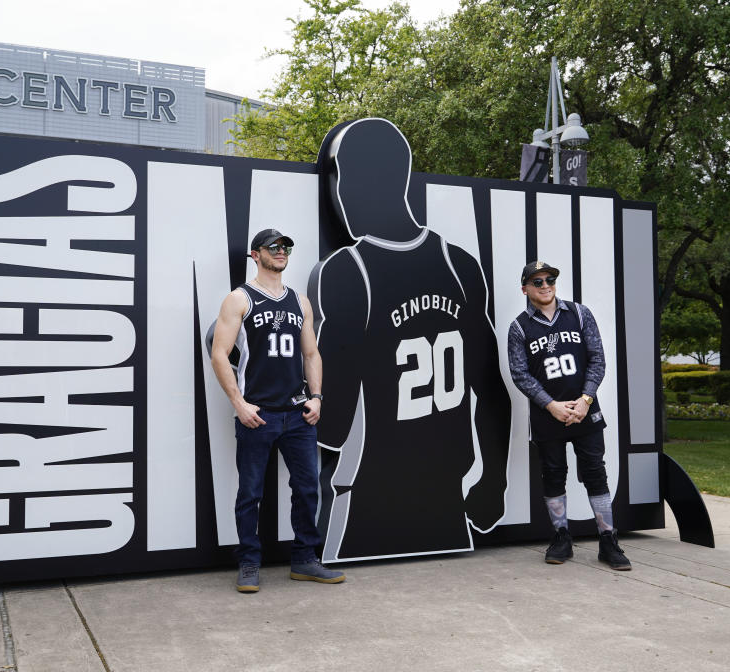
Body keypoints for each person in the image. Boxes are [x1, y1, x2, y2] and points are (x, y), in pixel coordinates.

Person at [312, 118, 510, 562]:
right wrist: (494, 480)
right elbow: (493, 390)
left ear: (367, 181)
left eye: (342, 177)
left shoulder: (349, 272)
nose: (338, 193)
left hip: (372, 507)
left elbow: (331, 421)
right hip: (446, 502)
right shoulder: (459, 264)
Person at [211, 228, 345, 593]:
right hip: (259, 414)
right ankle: (249, 563)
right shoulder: (239, 299)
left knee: (307, 489)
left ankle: (304, 559)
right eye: (273, 246)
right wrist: (239, 403)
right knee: (250, 493)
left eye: (285, 246)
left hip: (298, 413)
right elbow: (219, 354)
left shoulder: (300, 301)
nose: (281, 251)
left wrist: (316, 397)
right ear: (256, 254)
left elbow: (311, 353)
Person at [507, 261, 630, 570]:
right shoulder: (520, 327)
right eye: (537, 282)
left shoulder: (579, 313)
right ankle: (561, 537)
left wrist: (586, 399)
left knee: (594, 472)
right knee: (553, 473)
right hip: (548, 414)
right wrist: (552, 406)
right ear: (525, 289)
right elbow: (520, 374)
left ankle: (608, 540)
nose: (545, 285)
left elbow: (597, 359)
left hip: (585, 410)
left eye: (549, 279)